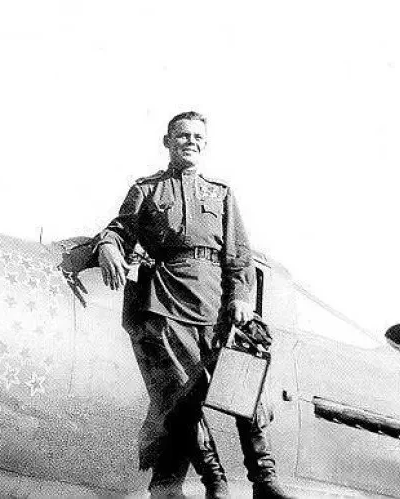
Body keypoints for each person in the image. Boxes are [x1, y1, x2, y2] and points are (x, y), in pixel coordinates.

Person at [96, 112, 290, 498]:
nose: (191, 142)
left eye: (198, 137)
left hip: (218, 306)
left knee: (244, 384)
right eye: (183, 136)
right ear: (167, 142)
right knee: (182, 398)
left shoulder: (222, 194)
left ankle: (264, 481)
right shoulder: (147, 190)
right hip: (168, 301)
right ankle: (215, 481)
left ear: (205, 144)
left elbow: (238, 253)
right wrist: (107, 246)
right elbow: (121, 229)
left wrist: (240, 297)